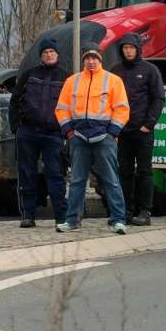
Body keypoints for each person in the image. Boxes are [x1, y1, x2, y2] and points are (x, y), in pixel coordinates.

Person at [54, 43, 130, 234]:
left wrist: (113, 132)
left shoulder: (113, 80)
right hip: (78, 137)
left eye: (94, 58)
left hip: (104, 137)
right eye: (87, 58)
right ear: (83, 60)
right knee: (77, 181)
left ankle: (118, 220)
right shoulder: (72, 81)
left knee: (111, 180)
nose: (90, 61)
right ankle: (72, 221)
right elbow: (61, 109)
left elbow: (122, 108)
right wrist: (69, 132)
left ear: (100, 59)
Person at [8, 37, 69, 228]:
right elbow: (15, 101)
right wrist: (16, 127)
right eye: (45, 53)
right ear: (41, 56)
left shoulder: (66, 77)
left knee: (55, 174)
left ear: (57, 54)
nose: (49, 55)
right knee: (26, 174)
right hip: (28, 132)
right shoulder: (28, 75)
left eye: (52, 52)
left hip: (53, 133)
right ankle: (28, 215)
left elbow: (71, 106)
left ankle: (61, 216)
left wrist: (66, 130)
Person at [112, 33, 165, 226]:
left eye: (131, 48)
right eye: (125, 48)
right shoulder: (115, 71)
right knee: (124, 172)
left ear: (137, 49)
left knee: (144, 172)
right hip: (121, 131)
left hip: (143, 131)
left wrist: (148, 124)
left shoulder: (150, 70)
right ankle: (125, 211)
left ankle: (145, 211)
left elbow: (158, 98)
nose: (128, 51)